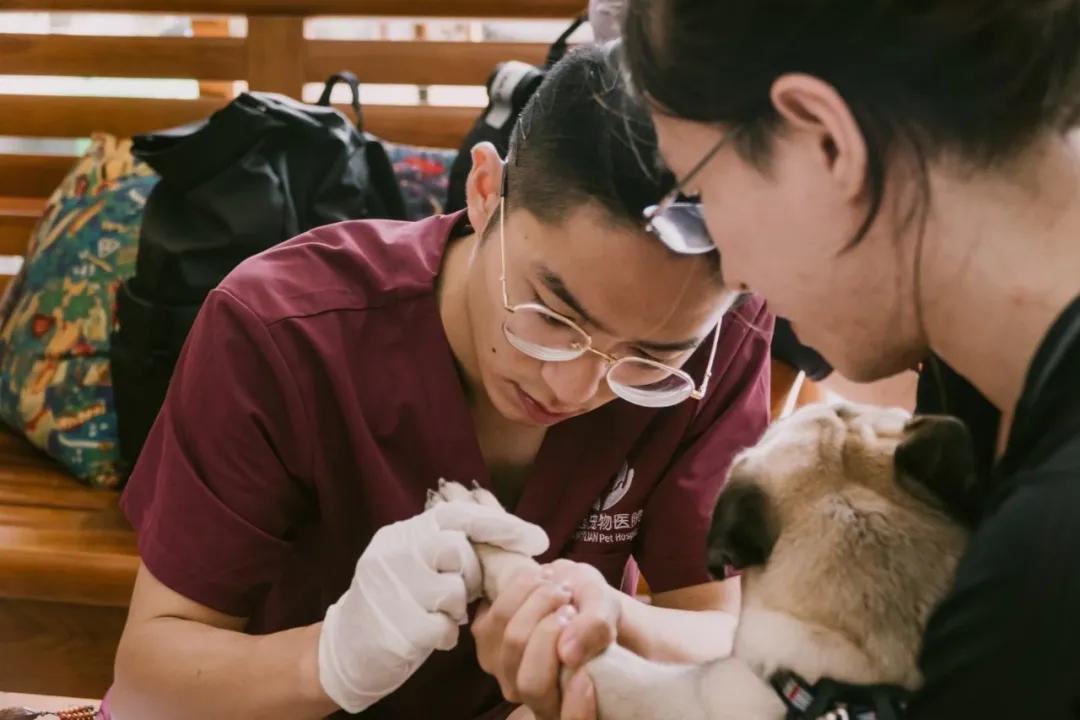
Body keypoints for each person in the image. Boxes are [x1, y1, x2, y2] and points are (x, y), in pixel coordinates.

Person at [107, 44, 773, 720]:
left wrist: (616, 622)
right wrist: (333, 657)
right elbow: (147, 684)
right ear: (486, 192)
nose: (573, 388)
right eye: (550, 314)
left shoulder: (718, 346)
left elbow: (728, 633)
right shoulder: (280, 331)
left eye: (646, 359)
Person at [615, 0, 1080, 716]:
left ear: (825, 142)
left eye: (698, 197)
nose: (730, 271)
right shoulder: (972, 402)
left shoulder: (1040, 581)